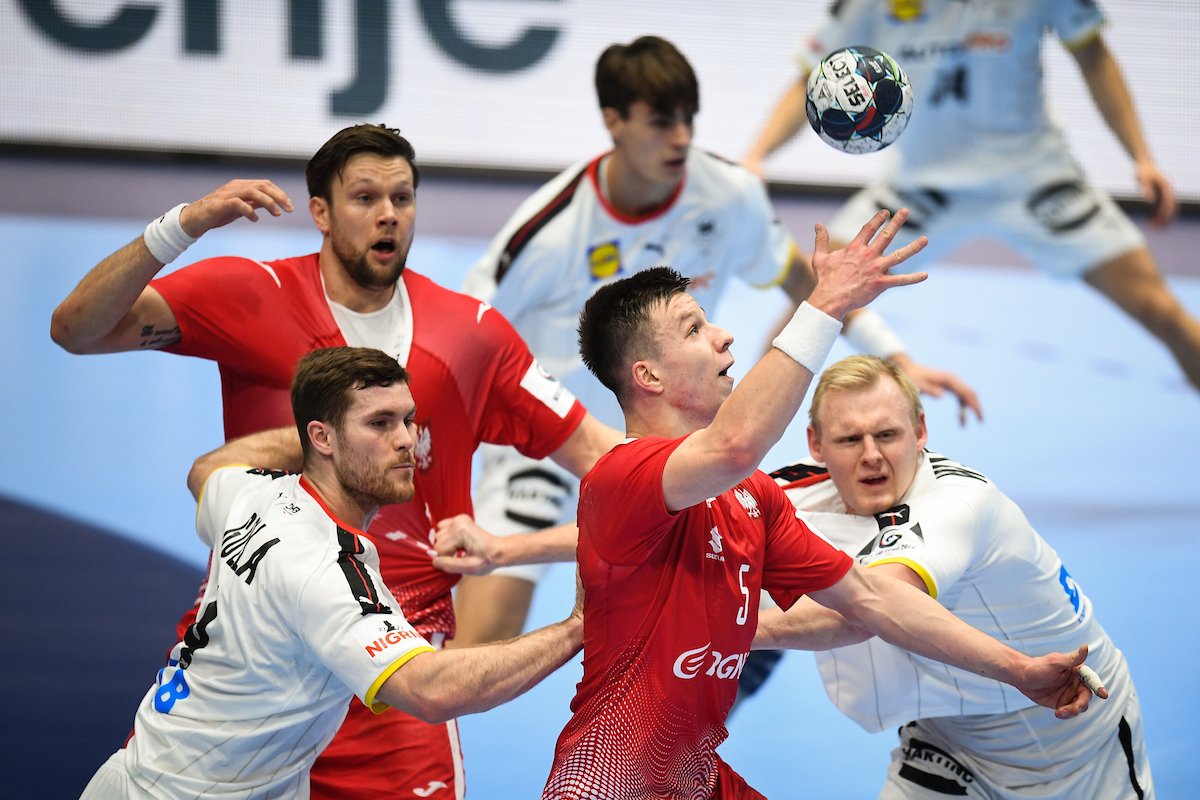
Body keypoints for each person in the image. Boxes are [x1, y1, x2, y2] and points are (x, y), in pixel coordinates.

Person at [50, 124, 620, 799]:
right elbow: (76, 329)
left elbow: (605, 459)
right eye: (365, 197)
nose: (389, 214)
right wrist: (184, 225)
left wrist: (517, 547)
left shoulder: (472, 334)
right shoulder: (251, 292)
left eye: (403, 198)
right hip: (261, 648)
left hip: (396, 661)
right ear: (320, 211)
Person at [538, 217, 1101, 798]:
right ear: (648, 375)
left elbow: (870, 600)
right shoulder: (622, 476)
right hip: (606, 781)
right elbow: (733, 446)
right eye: (694, 329)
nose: (724, 336)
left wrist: (1017, 670)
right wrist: (826, 303)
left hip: (694, 776)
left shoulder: (750, 497)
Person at [454, 34, 981, 652]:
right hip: (553, 447)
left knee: (715, 621)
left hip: (667, 448)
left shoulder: (727, 195)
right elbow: (464, 332)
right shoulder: (550, 231)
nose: (680, 138)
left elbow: (806, 282)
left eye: (688, 119)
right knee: (481, 644)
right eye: (660, 123)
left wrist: (897, 356)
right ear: (614, 122)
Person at [79, 346, 585, 799]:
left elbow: (205, 470)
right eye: (379, 424)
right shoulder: (326, 567)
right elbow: (430, 691)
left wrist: (331, 432)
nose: (407, 440)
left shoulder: (251, 492)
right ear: (321, 437)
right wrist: (576, 627)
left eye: (409, 420)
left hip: (135, 772)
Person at [743, 0, 1200, 393]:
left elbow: (1093, 54)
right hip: (919, 188)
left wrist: (1141, 156)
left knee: (1161, 311)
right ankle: (731, 441)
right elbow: (811, 78)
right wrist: (756, 156)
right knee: (813, 303)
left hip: (1036, 179)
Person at [758, 354, 1152, 798]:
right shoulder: (793, 489)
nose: (871, 455)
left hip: (1074, 737)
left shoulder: (957, 503)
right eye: (850, 439)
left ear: (920, 430)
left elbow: (866, 608)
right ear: (816, 443)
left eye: (887, 435)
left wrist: (722, 631)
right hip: (948, 741)